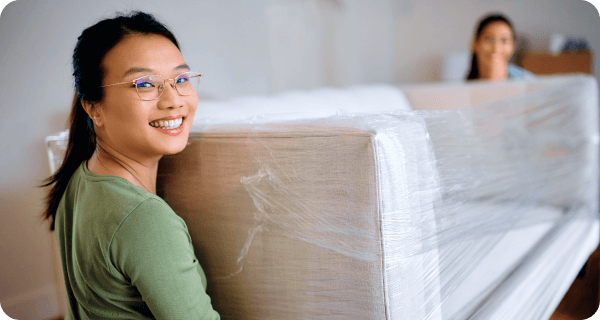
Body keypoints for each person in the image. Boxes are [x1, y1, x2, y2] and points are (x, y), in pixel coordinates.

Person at [41, 11, 220, 319]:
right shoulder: (145, 219)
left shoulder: (79, 179)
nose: (174, 100)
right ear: (94, 108)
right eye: (146, 84)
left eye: (180, 79)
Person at [466, 13, 534, 81]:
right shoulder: (460, 85)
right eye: (489, 39)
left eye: (504, 40)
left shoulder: (528, 82)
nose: (496, 48)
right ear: (474, 44)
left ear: (513, 46)